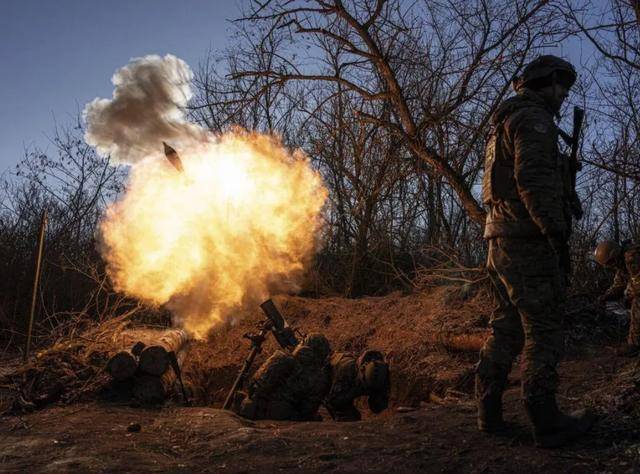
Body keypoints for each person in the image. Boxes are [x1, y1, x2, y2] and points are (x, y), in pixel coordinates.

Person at [476, 55, 595, 448]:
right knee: (543, 327)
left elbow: (518, 179)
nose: (563, 95)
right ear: (547, 82)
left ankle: (488, 411)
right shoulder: (535, 119)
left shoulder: (503, 124)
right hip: (527, 239)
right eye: (561, 86)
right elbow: (533, 180)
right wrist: (555, 233)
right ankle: (545, 419)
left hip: (498, 237)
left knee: (505, 327)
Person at [233, 333, 332, 421]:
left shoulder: (281, 357)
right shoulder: (319, 378)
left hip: (251, 410)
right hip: (279, 419)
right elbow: (307, 412)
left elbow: (253, 385)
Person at [594, 240, 640, 356]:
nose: (610, 266)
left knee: (637, 301)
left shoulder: (632, 257)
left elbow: (638, 286)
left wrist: (626, 297)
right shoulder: (621, 263)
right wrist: (605, 297)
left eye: (610, 263)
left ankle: (635, 344)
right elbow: (618, 285)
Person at [325, 350, 390, 421]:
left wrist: (379, 395)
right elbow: (333, 400)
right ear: (361, 371)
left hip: (350, 387)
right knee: (350, 417)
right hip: (328, 383)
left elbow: (377, 407)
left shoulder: (380, 375)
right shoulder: (346, 371)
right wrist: (352, 393)